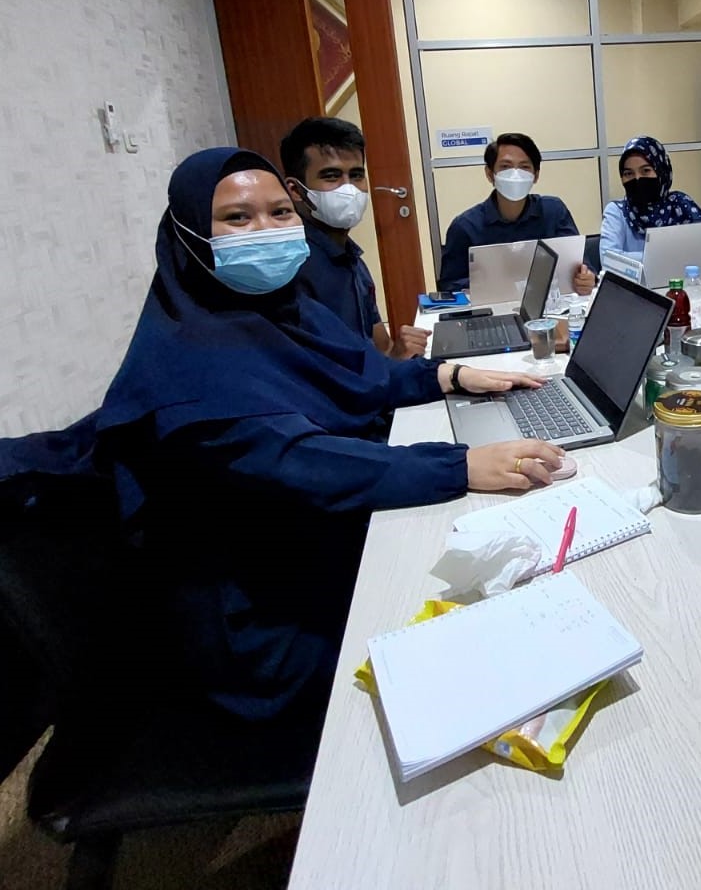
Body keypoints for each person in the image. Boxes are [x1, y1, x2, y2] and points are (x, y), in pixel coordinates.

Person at [94, 147, 564, 721]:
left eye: (279, 212)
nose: (266, 230)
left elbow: (362, 376)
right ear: (189, 236)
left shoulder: (283, 309)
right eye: (238, 218)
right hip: (261, 614)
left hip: (312, 538)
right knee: (472, 633)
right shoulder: (188, 364)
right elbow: (304, 462)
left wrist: (449, 375)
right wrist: (460, 465)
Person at [280, 117, 429, 359]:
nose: (348, 188)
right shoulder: (293, 268)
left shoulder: (352, 260)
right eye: (331, 176)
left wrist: (400, 353)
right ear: (296, 190)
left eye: (357, 175)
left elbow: (383, 349)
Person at [438, 132, 596, 294]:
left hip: (549, 303)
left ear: (536, 175)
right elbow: (450, 285)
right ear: (490, 174)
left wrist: (586, 278)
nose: (515, 174)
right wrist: (488, 284)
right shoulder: (465, 226)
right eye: (505, 167)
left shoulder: (554, 211)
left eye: (524, 167)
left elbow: (580, 264)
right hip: (492, 305)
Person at [599, 135, 701, 261]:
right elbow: (608, 258)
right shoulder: (617, 211)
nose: (637, 178)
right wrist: (670, 256)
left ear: (662, 172)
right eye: (629, 173)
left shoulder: (680, 205)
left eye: (645, 171)